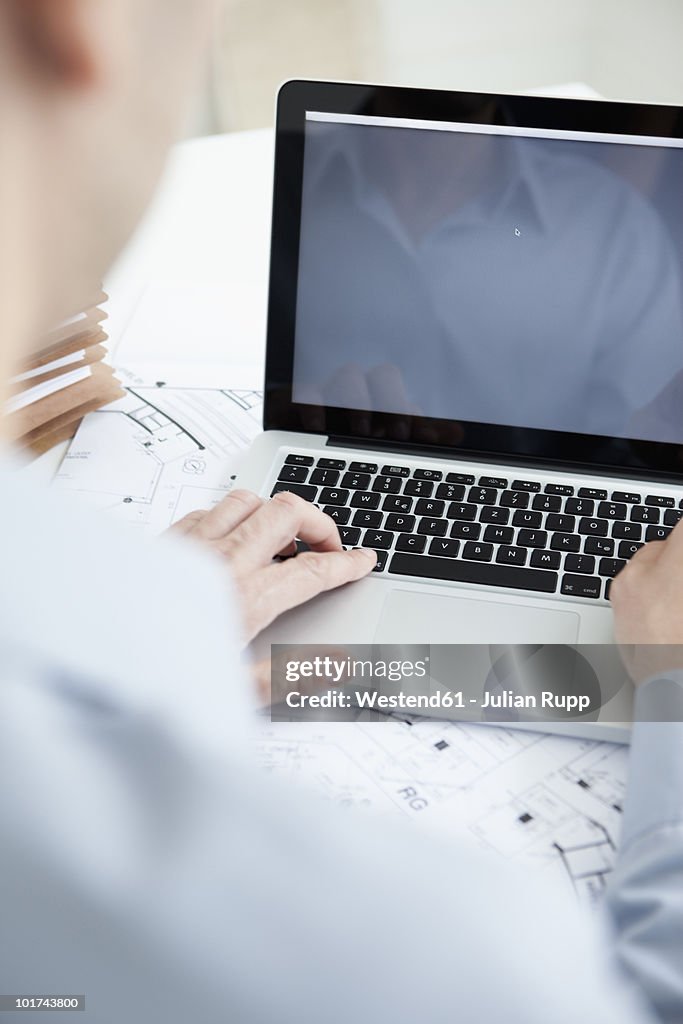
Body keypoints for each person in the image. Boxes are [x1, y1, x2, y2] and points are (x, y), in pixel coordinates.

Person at [0, 2, 682, 1022]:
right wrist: (670, 682)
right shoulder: (462, 959)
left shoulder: (611, 231)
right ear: (82, 22)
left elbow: (644, 409)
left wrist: (162, 623)